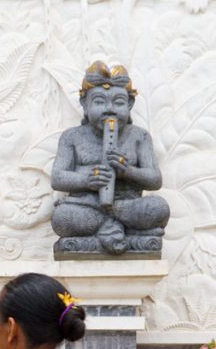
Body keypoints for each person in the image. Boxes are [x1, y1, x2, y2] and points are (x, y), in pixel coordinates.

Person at [50, 61, 170, 255]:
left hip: (127, 205)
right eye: (99, 101)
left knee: (159, 208)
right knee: (61, 218)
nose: (109, 109)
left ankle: (108, 227)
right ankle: (115, 228)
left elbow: (155, 180)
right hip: (88, 206)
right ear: (84, 104)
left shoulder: (139, 136)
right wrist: (86, 180)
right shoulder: (72, 137)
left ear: (130, 104)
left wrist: (128, 172)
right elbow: (57, 178)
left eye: (119, 102)